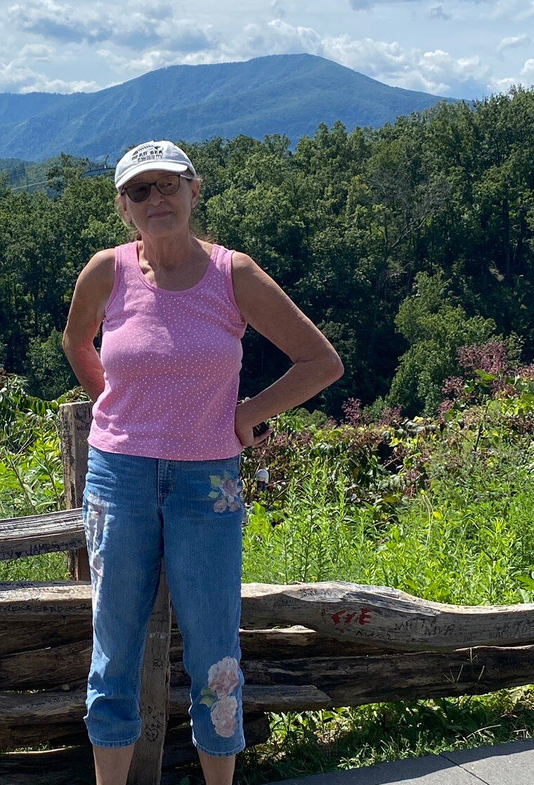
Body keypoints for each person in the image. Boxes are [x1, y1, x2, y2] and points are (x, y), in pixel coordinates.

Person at [62, 140, 343, 785]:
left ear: (195, 190)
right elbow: (77, 340)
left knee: (215, 650)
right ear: (123, 205)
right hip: (119, 476)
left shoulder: (232, 274)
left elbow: (321, 361)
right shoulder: (106, 272)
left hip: (206, 480)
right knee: (115, 650)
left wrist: (249, 414)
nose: (156, 200)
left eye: (168, 186)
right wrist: (110, 396)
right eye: (140, 191)